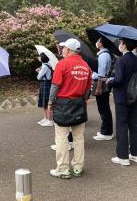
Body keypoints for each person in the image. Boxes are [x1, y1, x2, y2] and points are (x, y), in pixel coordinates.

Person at [48, 38, 92, 179]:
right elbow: (87, 90)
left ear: (68, 50)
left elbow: (55, 86)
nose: (62, 50)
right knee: (79, 138)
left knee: (62, 137)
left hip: (63, 104)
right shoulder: (86, 67)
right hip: (79, 103)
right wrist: (82, 101)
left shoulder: (62, 64)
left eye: (64, 48)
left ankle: (63, 169)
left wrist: (50, 103)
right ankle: (78, 167)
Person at [108, 38, 137, 166]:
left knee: (122, 125)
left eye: (121, 43)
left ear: (124, 45)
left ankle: (123, 156)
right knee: (134, 123)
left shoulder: (121, 60)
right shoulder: (136, 60)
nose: (119, 45)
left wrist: (110, 81)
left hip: (122, 96)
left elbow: (119, 80)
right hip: (134, 95)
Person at [92, 37, 114, 141]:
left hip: (102, 83)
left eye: (98, 40)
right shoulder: (104, 54)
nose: (97, 42)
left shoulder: (103, 55)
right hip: (103, 82)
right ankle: (106, 130)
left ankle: (106, 132)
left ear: (101, 43)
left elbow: (101, 73)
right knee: (104, 107)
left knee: (103, 108)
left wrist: (99, 87)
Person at [36, 53, 53, 127]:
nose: (38, 57)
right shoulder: (47, 65)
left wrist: (38, 72)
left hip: (45, 84)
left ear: (42, 58)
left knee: (46, 102)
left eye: (40, 57)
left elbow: (39, 77)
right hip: (46, 84)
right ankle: (45, 118)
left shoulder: (45, 66)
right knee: (44, 102)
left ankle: (49, 120)